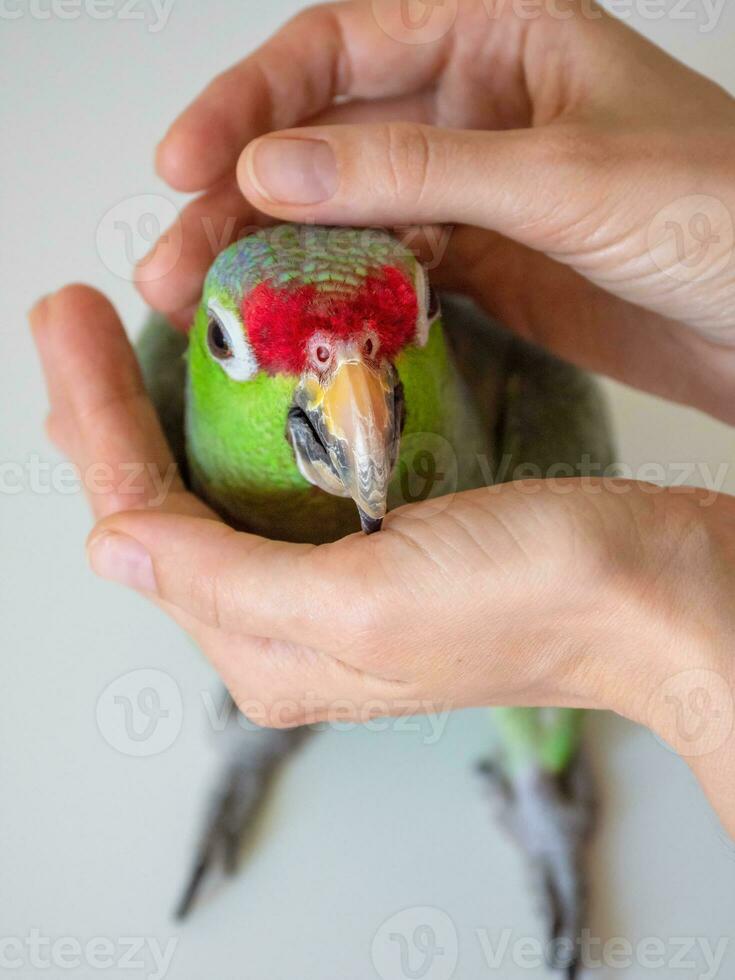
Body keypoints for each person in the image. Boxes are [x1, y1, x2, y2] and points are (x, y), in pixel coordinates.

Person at [30, 0, 735, 835]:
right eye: (231, 345)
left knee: (537, 742)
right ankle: (263, 711)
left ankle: (539, 783)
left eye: (400, 332)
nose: (351, 391)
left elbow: (592, 619)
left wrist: (645, 637)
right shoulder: (164, 373)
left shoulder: (534, 409)